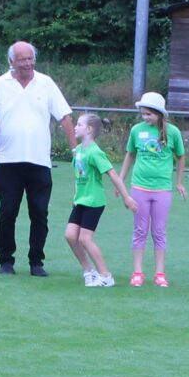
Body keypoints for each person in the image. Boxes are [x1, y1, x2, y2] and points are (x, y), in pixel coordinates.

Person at [0, 41, 71, 276]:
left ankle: (36, 261)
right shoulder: (0, 85)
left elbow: (65, 116)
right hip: (8, 161)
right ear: (12, 62)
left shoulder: (46, 83)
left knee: (39, 212)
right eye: (22, 59)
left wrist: (76, 151)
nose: (27, 63)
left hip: (39, 162)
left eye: (31, 58)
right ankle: (6, 260)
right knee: (8, 211)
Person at [117, 94, 185, 288]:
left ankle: (160, 273)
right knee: (140, 230)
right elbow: (130, 154)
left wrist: (179, 182)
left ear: (159, 113)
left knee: (159, 231)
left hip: (162, 189)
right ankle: (138, 272)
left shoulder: (173, 132)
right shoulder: (137, 130)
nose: (145, 117)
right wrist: (120, 180)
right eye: (143, 114)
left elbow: (180, 156)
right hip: (139, 187)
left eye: (149, 114)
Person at [64, 112, 126, 287]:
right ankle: (89, 272)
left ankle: (106, 276)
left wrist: (126, 197)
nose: (75, 127)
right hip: (81, 201)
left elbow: (112, 174)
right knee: (70, 236)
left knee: (85, 239)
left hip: (94, 202)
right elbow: (78, 177)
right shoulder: (78, 152)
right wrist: (75, 197)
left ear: (89, 129)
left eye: (79, 124)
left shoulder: (95, 152)